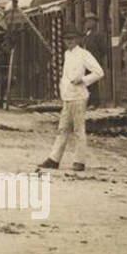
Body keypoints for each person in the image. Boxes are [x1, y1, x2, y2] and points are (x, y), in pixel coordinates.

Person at [40, 27, 104, 172]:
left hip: (79, 96)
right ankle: (54, 159)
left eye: (72, 39)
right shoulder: (67, 54)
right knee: (62, 129)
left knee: (78, 129)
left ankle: (79, 161)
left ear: (78, 39)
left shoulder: (84, 54)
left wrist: (83, 80)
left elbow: (99, 72)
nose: (68, 42)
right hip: (68, 96)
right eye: (66, 39)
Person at [81, 12, 106, 107]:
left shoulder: (98, 35)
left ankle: (95, 102)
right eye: (87, 21)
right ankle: (89, 101)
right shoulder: (85, 36)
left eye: (91, 21)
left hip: (94, 61)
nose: (88, 23)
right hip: (85, 62)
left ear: (95, 23)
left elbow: (103, 49)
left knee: (93, 82)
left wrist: (98, 60)